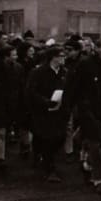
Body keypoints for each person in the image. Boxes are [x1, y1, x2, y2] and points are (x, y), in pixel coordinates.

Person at [72, 37, 101, 194]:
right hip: (88, 109)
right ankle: (98, 180)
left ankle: (84, 155)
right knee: (96, 143)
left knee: (95, 140)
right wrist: (79, 106)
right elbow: (76, 86)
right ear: (96, 49)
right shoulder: (86, 64)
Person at [26, 47, 69, 182]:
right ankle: (49, 167)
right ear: (52, 57)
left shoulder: (64, 72)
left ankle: (41, 155)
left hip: (59, 110)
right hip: (42, 110)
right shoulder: (38, 72)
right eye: (60, 56)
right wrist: (45, 101)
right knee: (47, 137)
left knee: (59, 137)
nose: (63, 58)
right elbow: (31, 91)